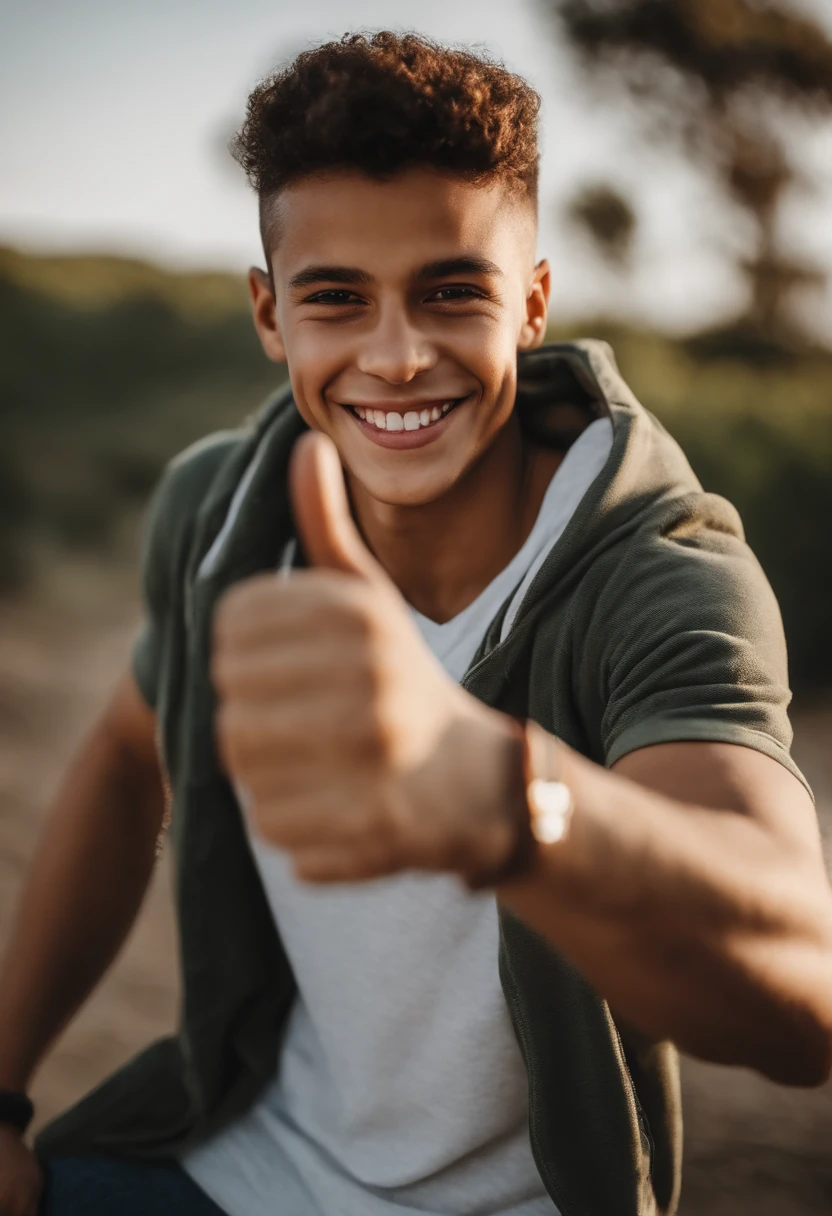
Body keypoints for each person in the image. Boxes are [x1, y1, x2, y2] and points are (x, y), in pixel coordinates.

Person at [1, 30, 831, 1216]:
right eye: (336, 299)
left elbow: (801, 998)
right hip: (227, 1158)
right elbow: (126, 760)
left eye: (452, 291)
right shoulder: (221, 511)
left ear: (532, 301)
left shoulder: (658, 571)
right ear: (268, 315)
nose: (396, 356)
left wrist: (492, 795)